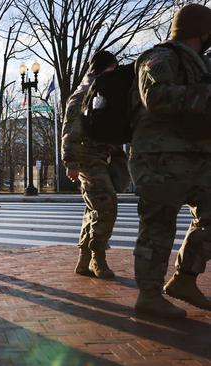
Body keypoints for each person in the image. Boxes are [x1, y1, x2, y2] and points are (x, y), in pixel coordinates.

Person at [131, 3, 211, 318]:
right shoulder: (159, 57)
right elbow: (157, 97)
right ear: (201, 31)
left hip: (199, 157)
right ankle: (148, 295)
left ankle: (185, 278)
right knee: (158, 226)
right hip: (159, 158)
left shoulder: (201, 64)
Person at [61, 50, 122, 279]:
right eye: (112, 69)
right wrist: (71, 162)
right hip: (87, 158)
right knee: (107, 206)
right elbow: (69, 131)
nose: (114, 74)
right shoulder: (83, 94)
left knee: (93, 210)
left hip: (99, 157)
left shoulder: (102, 90)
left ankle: (84, 260)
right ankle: (98, 258)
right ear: (101, 69)